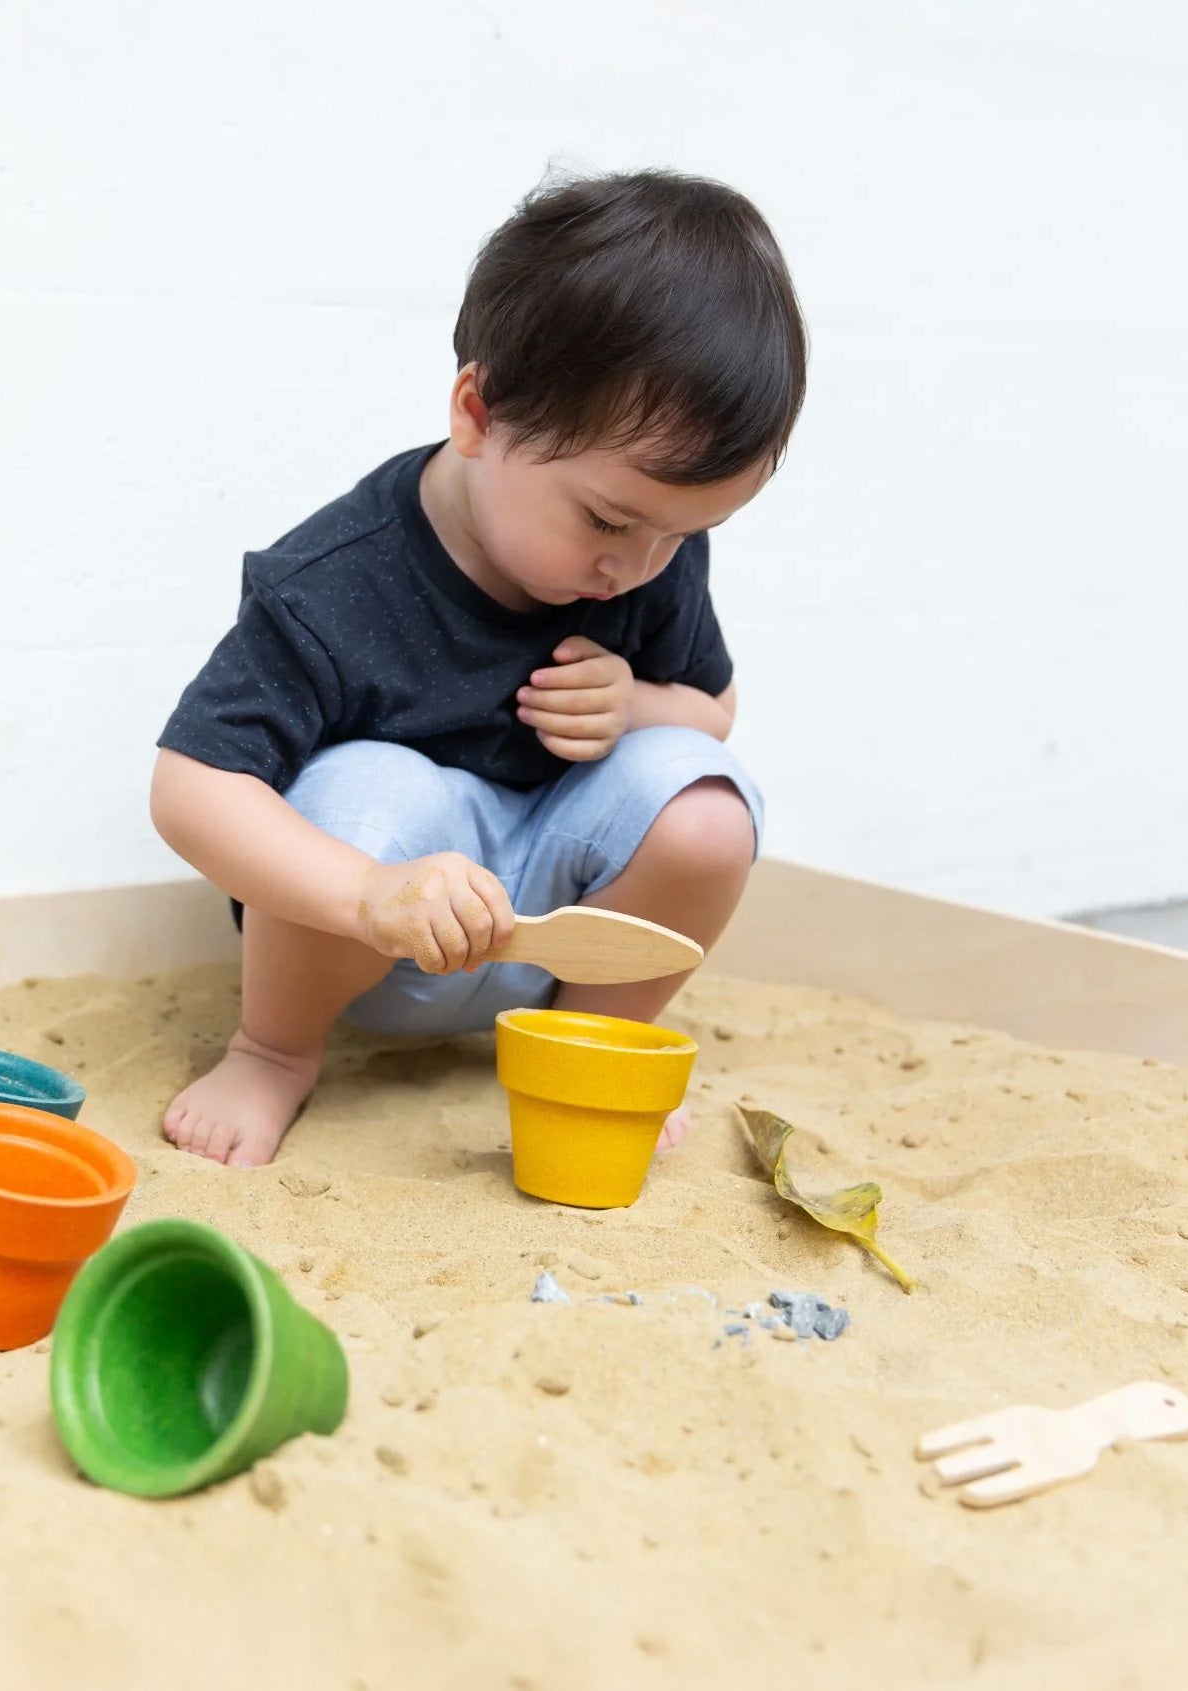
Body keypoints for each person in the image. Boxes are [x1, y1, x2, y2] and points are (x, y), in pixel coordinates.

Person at [151, 167, 807, 1168]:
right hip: (376, 936)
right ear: (478, 412)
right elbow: (188, 785)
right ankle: (272, 1053)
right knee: (365, 785)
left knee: (711, 806)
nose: (634, 566)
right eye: (607, 519)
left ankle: (593, 1042)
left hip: (551, 923)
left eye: (687, 533)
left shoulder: (651, 543)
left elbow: (711, 711)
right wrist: (370, 891)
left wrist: (636, 705)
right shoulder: (337, 580)